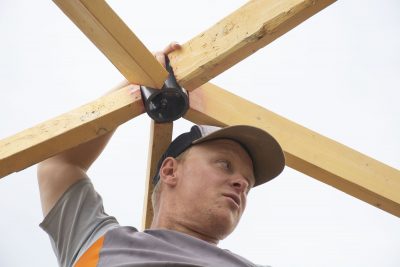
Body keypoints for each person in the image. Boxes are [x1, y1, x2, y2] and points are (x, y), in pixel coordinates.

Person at [37, 43, 285, 267]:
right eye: (224, 164)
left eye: (249, 184)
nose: (242, 184)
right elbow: (58, 163)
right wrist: (138, 84)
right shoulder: (100, 243)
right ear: (169, 171)